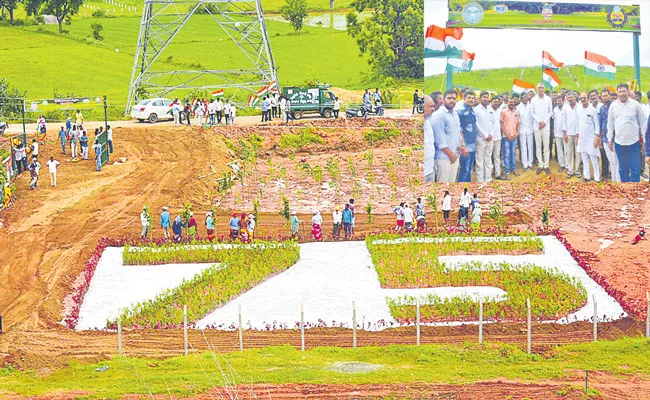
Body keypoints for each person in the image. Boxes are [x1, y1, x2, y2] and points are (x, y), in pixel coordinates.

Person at [608, 83, 646, 182]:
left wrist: (644, 141)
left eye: (624, 91)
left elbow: (643, 123)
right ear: (617, 93)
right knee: (622, 169)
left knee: (635, 169)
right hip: (619, 142)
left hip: (633, 142)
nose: (622, 94)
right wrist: (609, 139)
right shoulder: (613, 106)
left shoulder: (635, 105)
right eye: (620, 91)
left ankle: (635, 191)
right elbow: (610, 124)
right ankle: (626, 191)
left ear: (628, 92)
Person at [433, 89, 467, 182]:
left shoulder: (455, 114)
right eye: (449, 98)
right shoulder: (439, 115)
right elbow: (439, 139)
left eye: (454, 98)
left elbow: (458, 132)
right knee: (443, 183)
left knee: (451, 182)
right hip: (444, 157)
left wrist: (463, 145)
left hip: (455, 155)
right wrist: (450, 154)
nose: (452, 100)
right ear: (443, 100)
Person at [576, 92, 601, 182]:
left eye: (584, 98)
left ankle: (597, 178)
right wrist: (577, 136)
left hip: (591, 138)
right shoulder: (578, 109)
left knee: (594, 158)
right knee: (584, 158)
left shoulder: (592, 110)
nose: (583, 100)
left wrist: (596, 137)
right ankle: (587, 177)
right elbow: (577, 123)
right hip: (582, 138)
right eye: (581, 98)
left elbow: (597, 125)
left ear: (588, 99)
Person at [531, 83, 553, 175]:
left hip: (546, 126)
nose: (540, 89)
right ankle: (540, 165)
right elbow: (532, 112)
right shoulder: (533, 99)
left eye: (542, 87)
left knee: (546, 146)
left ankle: (546, 165)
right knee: (538, 147)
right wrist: (539, 121)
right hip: (537, 126)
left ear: (544, 89)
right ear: (537, 89)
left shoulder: (548, 99)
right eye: (539, 87)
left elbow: (550, 112)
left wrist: (544, 122)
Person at [599, 89, 619, 182]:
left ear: (609, 96)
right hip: (605, 139)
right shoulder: (602, 108)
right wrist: (600, 138)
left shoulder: (615, 106)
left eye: (606, 95)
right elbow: (601, 125)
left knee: (616, 161)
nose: (605, 97)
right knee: (611, 161)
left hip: (615, 138)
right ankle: (613, 179)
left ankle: (618, 180)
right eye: (603, 96)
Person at [475, 91, 495, 182]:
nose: (486, 99)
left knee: (488, 159)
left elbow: (494, 123)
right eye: (484, 97)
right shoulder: (476, 110)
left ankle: (488, 178)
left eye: (487, 97)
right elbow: (476, 124)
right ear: (480, 98)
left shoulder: (490, 109)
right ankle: (480, 180)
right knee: (479, 160)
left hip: (490, 138)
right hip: (481, 139)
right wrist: (485, 135)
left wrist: (491, 134)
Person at [457, 92, 477, 182]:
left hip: (473, 145)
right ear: (464, 99)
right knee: (464, 170)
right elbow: (459, 130)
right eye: (469, 98)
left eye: (473, 98)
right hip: (465, 146)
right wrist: (463, 145)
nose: (471, 100)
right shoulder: (460, 112)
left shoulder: (473, 112)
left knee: (469, 169)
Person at [501, 97, 520, 179]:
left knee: (513, 153)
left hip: (514, 136)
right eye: (510, 102)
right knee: (507, 154)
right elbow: (501, 124)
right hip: (506, 137)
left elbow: (518, 123)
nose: (511, 104)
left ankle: (514, 169)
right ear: (507, 103)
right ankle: (507, 171)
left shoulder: (516, 112)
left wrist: (517, 133)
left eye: (512, 102)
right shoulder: (503, 112)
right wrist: (507, 135)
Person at [562, 92, 581, 179]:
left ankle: (577, 170)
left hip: (578, 133)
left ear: (575, 97)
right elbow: (564, 121)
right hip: (568, 133)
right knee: (569, 152)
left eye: (571, 97)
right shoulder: (565, 108)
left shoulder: (579, 107)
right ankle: (570, 169)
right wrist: (565, 133)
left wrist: (578, 134)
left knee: (577, 153)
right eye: (568, 97)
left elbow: (581, 121)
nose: (570, 98)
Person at [517, 92, 534, 172]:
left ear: (527, 98)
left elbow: (533, 118)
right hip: (522, 129)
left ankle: (530, 163)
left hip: (530, 128)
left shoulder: (531, 106)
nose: (524, 98)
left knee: (530, 146)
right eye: (523, 97)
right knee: (523, 147)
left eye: (525, 97)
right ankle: (525, 164)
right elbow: (518, 119)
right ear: (521, 99)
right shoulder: (518, 107)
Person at [490, 95, 505, 180]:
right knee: (488, 157)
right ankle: (488, 174)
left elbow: (501, 123)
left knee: (497, 156)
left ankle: (497, 174)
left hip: (498, 137)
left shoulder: (500, 111)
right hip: (489, 138)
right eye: (494, 101)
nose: (496, 103)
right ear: (491, 101)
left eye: (497, 102)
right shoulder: (488, 110)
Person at [552, 95, 566, 173]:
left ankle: (567, 165)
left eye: (560, 100)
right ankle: (562, 164)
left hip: (565, 133)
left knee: (566, 150)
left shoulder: (566, 109)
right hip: (557, 133)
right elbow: (554, 120)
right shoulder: (555, 109)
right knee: (559, 150)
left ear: (563, 101)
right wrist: (554, 131)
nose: (559, 102)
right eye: (557, 101)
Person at [423, 95, 436, 182]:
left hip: (430, 169)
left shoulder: (428, 122)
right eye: (430, 106)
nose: (433, 109)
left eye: (433, 106)